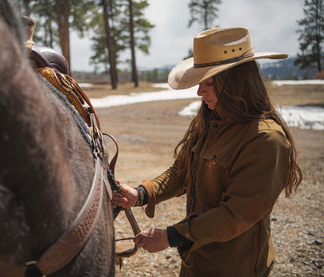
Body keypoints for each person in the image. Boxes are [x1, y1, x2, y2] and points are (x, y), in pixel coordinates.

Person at [111, 27, 303, 277]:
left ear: (236, 83)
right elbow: (181, 173)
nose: (200, 92)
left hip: (236, 269)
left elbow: (236, 215)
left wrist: (171, 236)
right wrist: (141, 194)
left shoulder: (266, 140)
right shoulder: (212, 121)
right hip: (196, 264)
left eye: (209, 82)